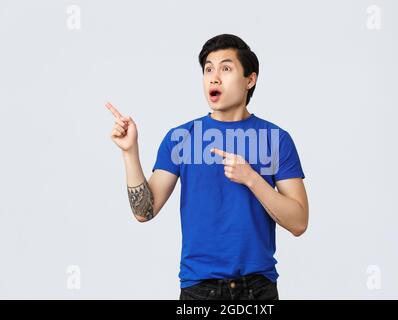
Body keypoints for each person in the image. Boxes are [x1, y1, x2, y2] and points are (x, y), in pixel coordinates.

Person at [106, 34, 309, 300]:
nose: (214, 77)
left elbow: (299, 222)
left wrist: (252, 179)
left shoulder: (276, 139)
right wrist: (130, 152)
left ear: (250, 79)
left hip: (258, 289)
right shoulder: (181, 138)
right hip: (200, 289)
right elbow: (144, 211)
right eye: (208, 69)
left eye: (226, 68)